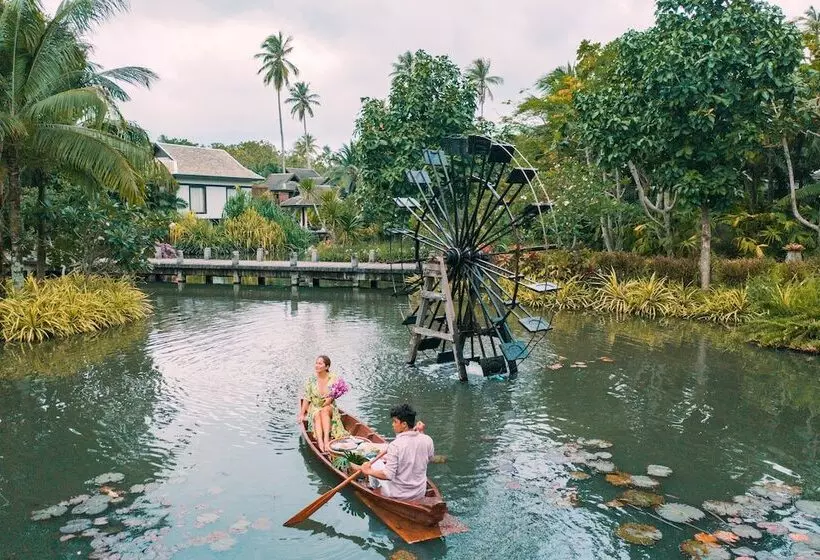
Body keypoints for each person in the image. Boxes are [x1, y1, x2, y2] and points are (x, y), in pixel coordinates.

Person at [358, 404, 434, 502]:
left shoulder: (395, 445)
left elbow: (388, 475)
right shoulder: (427, 439)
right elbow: (430, 458)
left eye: (395, 421)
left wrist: (368, 471)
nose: (392, 424)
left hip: (398, 495)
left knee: (373, 462)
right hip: (420, 492)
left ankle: (373, 488)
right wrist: (421, 432)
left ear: (404, 424)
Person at [297, 355, 347, 453]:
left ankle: (326, 440)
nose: (317, 365)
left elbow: (336, 392)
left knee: (324, 410)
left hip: (329, 406)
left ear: (327, 367)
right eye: (316, 363)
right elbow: (307, 398)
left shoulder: (333, 378)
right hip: (315, 406)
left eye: (320, 363)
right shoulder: (311, 380)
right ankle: (320, 442)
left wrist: (331, 398)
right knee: (317, 414)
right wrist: (302, 414)